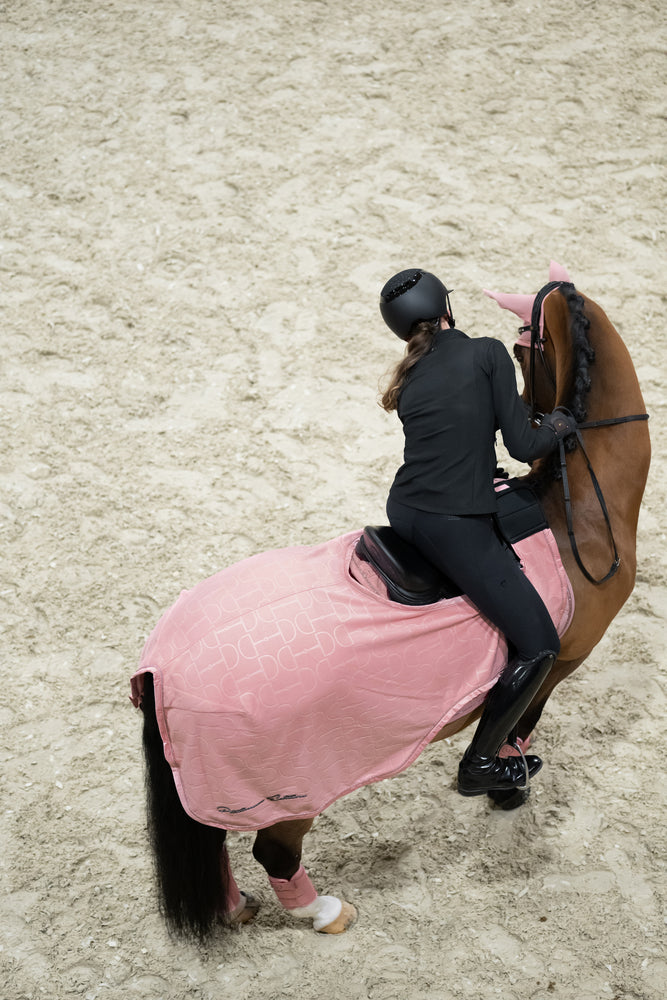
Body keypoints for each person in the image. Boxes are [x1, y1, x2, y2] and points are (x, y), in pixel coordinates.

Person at [378, 268, 576, 796]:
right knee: (539, 644)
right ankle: (480, 765)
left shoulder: (410, 377)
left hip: (405, 509)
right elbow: (523, 447)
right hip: (452, 522)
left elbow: (455, 439)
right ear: (447, 308)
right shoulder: (486, 352)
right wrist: (559, 424)